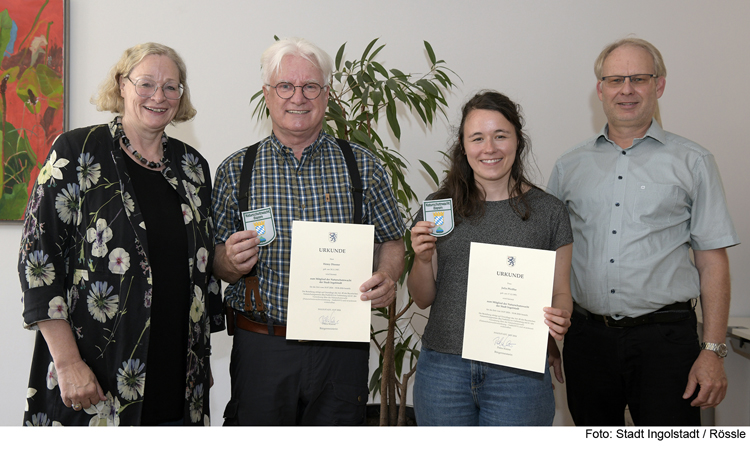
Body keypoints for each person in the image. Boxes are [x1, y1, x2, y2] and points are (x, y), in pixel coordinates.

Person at [18, 42, 223, 426]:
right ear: (122, 85)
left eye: (171, 87)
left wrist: (201, 359)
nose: (158, 96)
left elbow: (202, 270)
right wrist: (67, 363)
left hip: (177, 370)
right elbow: (37, 262)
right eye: (146, 83)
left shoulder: (193, 167)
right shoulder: (78, 151)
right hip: (94, 371)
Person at [212, 37, 405, 425]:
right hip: (263, 345)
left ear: (326, 95)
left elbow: (391, 240)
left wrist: (387, 275)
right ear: (268, 94)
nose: (297, 97)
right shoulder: (236, 170)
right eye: (285, 86)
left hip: (341, 349)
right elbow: (215, 260)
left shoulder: (362, 166)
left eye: (310, 87)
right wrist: (230, 261)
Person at [548, 37, 740, 426]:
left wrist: (713, 351)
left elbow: (712, 262)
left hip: (667, 342)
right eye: (616, 79)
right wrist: (548, 339)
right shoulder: (569, 167)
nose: (627, 89)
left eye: (639, 78)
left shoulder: (694, 162)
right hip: (587, 341)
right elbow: (551, 256)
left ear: (659, 85)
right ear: (600, 89)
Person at [408, 91, 573, 426]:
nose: (490, 148)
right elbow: (421, 299)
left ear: (517, 140)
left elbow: (561, 292)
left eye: (500, 136)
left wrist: (562, 316)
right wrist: (423, 260)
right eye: (478, 138)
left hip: (518, 374)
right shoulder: (439, 209)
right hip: (443, 370)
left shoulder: (550, 212)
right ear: (463, 146)